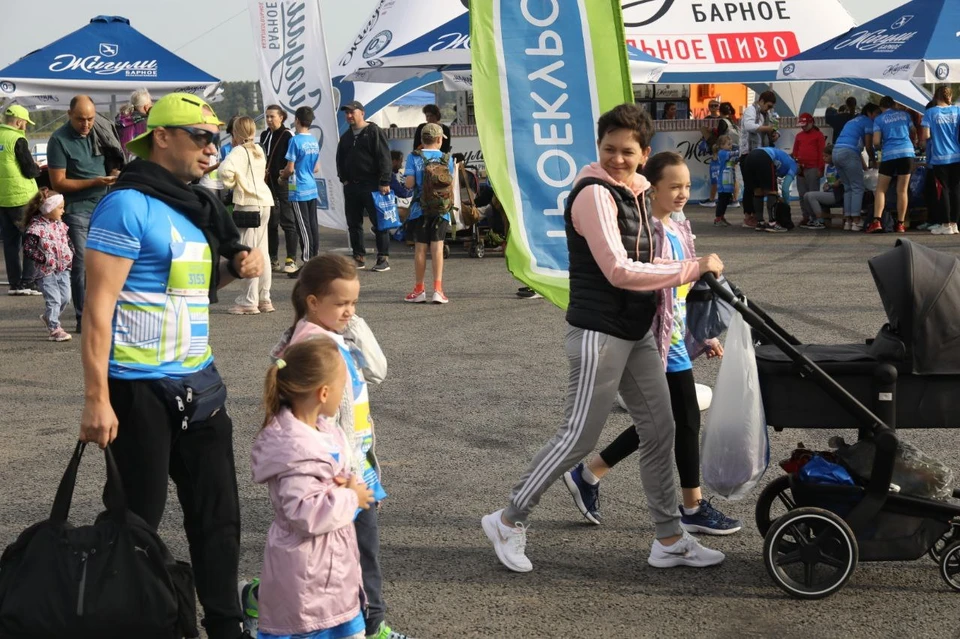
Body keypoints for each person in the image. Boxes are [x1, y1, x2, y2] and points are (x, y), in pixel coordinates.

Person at [481, 103, 726, 573]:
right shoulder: (593, 195)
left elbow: (649, 262)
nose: (617, 158)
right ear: (599, 147)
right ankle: (508, 519)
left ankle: (669, 538)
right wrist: (692, 269)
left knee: (661, 430)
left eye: (627, 151)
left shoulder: (635, 191)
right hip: (598, 334)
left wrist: (686, 273)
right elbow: (617, 269)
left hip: (634, 334)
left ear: (644, 152)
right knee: (578, 437)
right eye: (609, 149)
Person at [78, 92, 263, 639]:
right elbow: (97, 308)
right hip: (139, 389)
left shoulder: (195, 206)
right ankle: (125, 620)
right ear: (162, 137)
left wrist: (236, 268)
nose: (212, 149)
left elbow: (192, 293)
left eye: (216, 139)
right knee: (135, 523)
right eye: (200, 137)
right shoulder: (127, 204)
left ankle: (225, 626)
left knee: (219, 519)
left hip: (200, 385)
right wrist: (96, 398)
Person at [562, 151, 740, 535]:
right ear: (651, 187)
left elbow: (687, 287)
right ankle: (691, 506)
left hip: (674, 334)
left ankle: (590, 473)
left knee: (666, 421)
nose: (681, 193)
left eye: (687, 186)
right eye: (673, 186)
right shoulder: (648, 235)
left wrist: (703, 332)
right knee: (681, 419)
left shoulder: (677, 228)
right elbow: (648, 280)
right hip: (654, 338)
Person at [262, 255, 409, 639]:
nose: (349, 311)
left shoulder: (336, 337)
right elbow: (319, 419)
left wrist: (353, 323)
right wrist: (344, 478)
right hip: (339, 474)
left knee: (348, 555)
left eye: (355, 303)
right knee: (354, 555)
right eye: (341, 303)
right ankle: (371, 625)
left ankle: (268, 599)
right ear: (312, 301)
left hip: (356, 464)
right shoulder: (312, 347)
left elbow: (377, 370)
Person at [251, 338, 374, 639]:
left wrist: (346, 482)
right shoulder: (296, 450)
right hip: (309, 581)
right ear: (324, 392)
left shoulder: (322, 430)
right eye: (343, 386)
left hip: (330, 573)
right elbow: (305, 513)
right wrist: (350, 497)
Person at [47, 95, 116, 332]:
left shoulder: (101, 130)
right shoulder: (58, 139)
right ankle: (82, 317)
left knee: (106, 263)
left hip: (105, 206)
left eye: (90, 119)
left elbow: (113, 159)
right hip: (77, 210)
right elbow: (58, 182)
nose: (86, 124)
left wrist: (114, 171)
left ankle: (103, 313)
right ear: (69, 115)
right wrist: (96, 181)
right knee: (82, 265)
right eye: (80, 120)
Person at [219, 116, 275, 314]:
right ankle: (264, 298)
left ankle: (249, 301)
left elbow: (224, 172)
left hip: (248, 204)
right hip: (265, 202)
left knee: (249, 252)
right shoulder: (259, 149)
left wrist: (235, 183)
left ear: (236, 132)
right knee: (263, 252)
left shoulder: (237, 151)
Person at [336, 101, 393, 272]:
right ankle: (358, 257)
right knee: (354, 223)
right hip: (352, 186)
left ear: (362, 113)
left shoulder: (373, 131)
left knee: (379, 223)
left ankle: (383, 258)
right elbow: (340, 159)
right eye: (346, 113)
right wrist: (343, 179)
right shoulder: (346, 137)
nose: (349, 116)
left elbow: (384, 157)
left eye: (352, 112)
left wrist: (384, 181)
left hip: (373, 184)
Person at [403, 123, 455, 305]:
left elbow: (409, 184)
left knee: (420, 249)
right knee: (438, 248)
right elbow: (451, 185)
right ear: (440, 140)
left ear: (422, 140)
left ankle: (419, 290)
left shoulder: (413, 157)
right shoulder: (447, 159)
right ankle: (438, 290)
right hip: (442, 209)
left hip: (420, 209)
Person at [21, 188, 73, 341]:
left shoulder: (60, 225)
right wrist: (44, 259)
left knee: (65, 298)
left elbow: (67, 241)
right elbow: (28, 249)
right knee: (54, 299)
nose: (63, 211)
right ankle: (55, 329)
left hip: (63, 268)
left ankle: (48, 317)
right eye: (60, 208)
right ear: (48, 209)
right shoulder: (36, 228)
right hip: (45, 272)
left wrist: (71, 254)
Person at [0, 104, 42, 296]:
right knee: (31, 239)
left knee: (10, 243)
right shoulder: (17, 139)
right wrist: (37, 167)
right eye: (25, 123)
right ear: (18, 122)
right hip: (21, 197)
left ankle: (15, 283)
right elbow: (29, 170)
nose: (25, 127)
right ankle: (28, 281)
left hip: (2, 198)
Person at [260, 105, 300, 273]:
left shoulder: (288, 135)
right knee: (270, 223)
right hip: (267, 184)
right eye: (267, 116)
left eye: (272, 116)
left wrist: (284, 175)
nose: (269, 120)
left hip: (284, 184)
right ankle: (272, 258)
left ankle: (291, 258)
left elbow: (294, 160)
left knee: (288, 221)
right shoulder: (264, 135)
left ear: (281, 118)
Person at [868, 96, 916, 234]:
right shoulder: (905, 115)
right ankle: (901, 224)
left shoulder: (879, 119)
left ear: (881, 107)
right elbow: (913, 131)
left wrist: (880, 147)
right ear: (894, 104)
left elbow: (876, 141)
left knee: (881, 189)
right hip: (907, 153)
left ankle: (876, 221)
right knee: (902, 190)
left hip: (889, 154)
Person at [281, 107, 321, 270]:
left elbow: (289, 168)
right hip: (311, 185)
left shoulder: (295, 141)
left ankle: (307, 262)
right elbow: (316, 168)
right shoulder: (313, 140)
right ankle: (315, 258)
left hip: (298, 188)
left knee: (303, 227)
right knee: (312, 225)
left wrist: (282, 176)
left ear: (297, 120)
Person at [920, 86, 960, 236]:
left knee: (943, 190)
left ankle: (945, 224)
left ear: (935, 97)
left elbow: (925, 136)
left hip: (939, 157)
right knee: (956, 189)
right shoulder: (957, 111)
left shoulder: (930, 113)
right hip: (957, 155)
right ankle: (955, 224)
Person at [833, 103, 879, 232]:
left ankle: (847, 221)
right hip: (849, 153)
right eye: (876, 113)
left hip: (836, 152)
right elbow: (869, 146)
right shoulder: (868, 122)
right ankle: (856, 221)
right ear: (869, 113)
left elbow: (856, 149)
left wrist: (864, 167)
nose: (877, 117)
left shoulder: (852, 121)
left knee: (848, 188)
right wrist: (874, 161)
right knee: (858, 187)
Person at [739, 91, 778, 227]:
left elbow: (773, 129)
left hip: (762, 154)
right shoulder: (750, 110)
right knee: (750, 186)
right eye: (768, 105)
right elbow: (749, 126)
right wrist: (767, 128)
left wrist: (774, 134)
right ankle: (747, 216)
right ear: (761, 101)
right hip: (748, 153)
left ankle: (757, 216)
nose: (769, 109)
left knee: (759, 186)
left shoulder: (767, 114)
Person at [741, 144, 798, 233]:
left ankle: (760, 222)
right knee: (772, 191)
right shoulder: (794, 166)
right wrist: (786, 205)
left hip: (750, 157)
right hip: (764, 157)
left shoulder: (784, 159)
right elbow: (785, 188)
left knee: (758, 191)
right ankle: (772, 223)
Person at [792, 113, 826, 226]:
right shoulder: (799, 136)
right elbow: (795, 151)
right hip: (801, 168)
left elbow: (822, 153)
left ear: (811, 123)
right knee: (802, 194)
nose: (803, 127)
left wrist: (820, 168)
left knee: (812, 194)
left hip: (813, 168)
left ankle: (815, 216)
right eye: (802, 125)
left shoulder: (818, 135)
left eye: (805, 125)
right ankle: (805, 216)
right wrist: (796, 163)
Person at [801, 144, 841, 230]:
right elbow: (829, 181)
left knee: (811, 195)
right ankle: (814, 218)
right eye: (823, 156)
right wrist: (827, 184)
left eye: (826, 156)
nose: (824, 158)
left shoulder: (839, 167)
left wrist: (834, 183)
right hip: (829, 192)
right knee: (806, 195)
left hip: (837, 194)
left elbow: (840, 181)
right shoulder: (827, 167)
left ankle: (820, 220)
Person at [116, 88, 152, 160]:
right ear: (146, 107)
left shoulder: (120, 121)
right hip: (142, 164)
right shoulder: (148, 123)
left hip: (123, 164)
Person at [713, 135, 736, 226]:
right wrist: (741, 151)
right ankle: (718, 218)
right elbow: (732, 155)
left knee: (726, 200)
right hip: (723, 181)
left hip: (729, 181)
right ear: (722, 145)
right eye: (729, 144)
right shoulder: (722, 153)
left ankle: (722, 216)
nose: (731, 146)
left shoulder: (727, 153)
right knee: (722, 200)